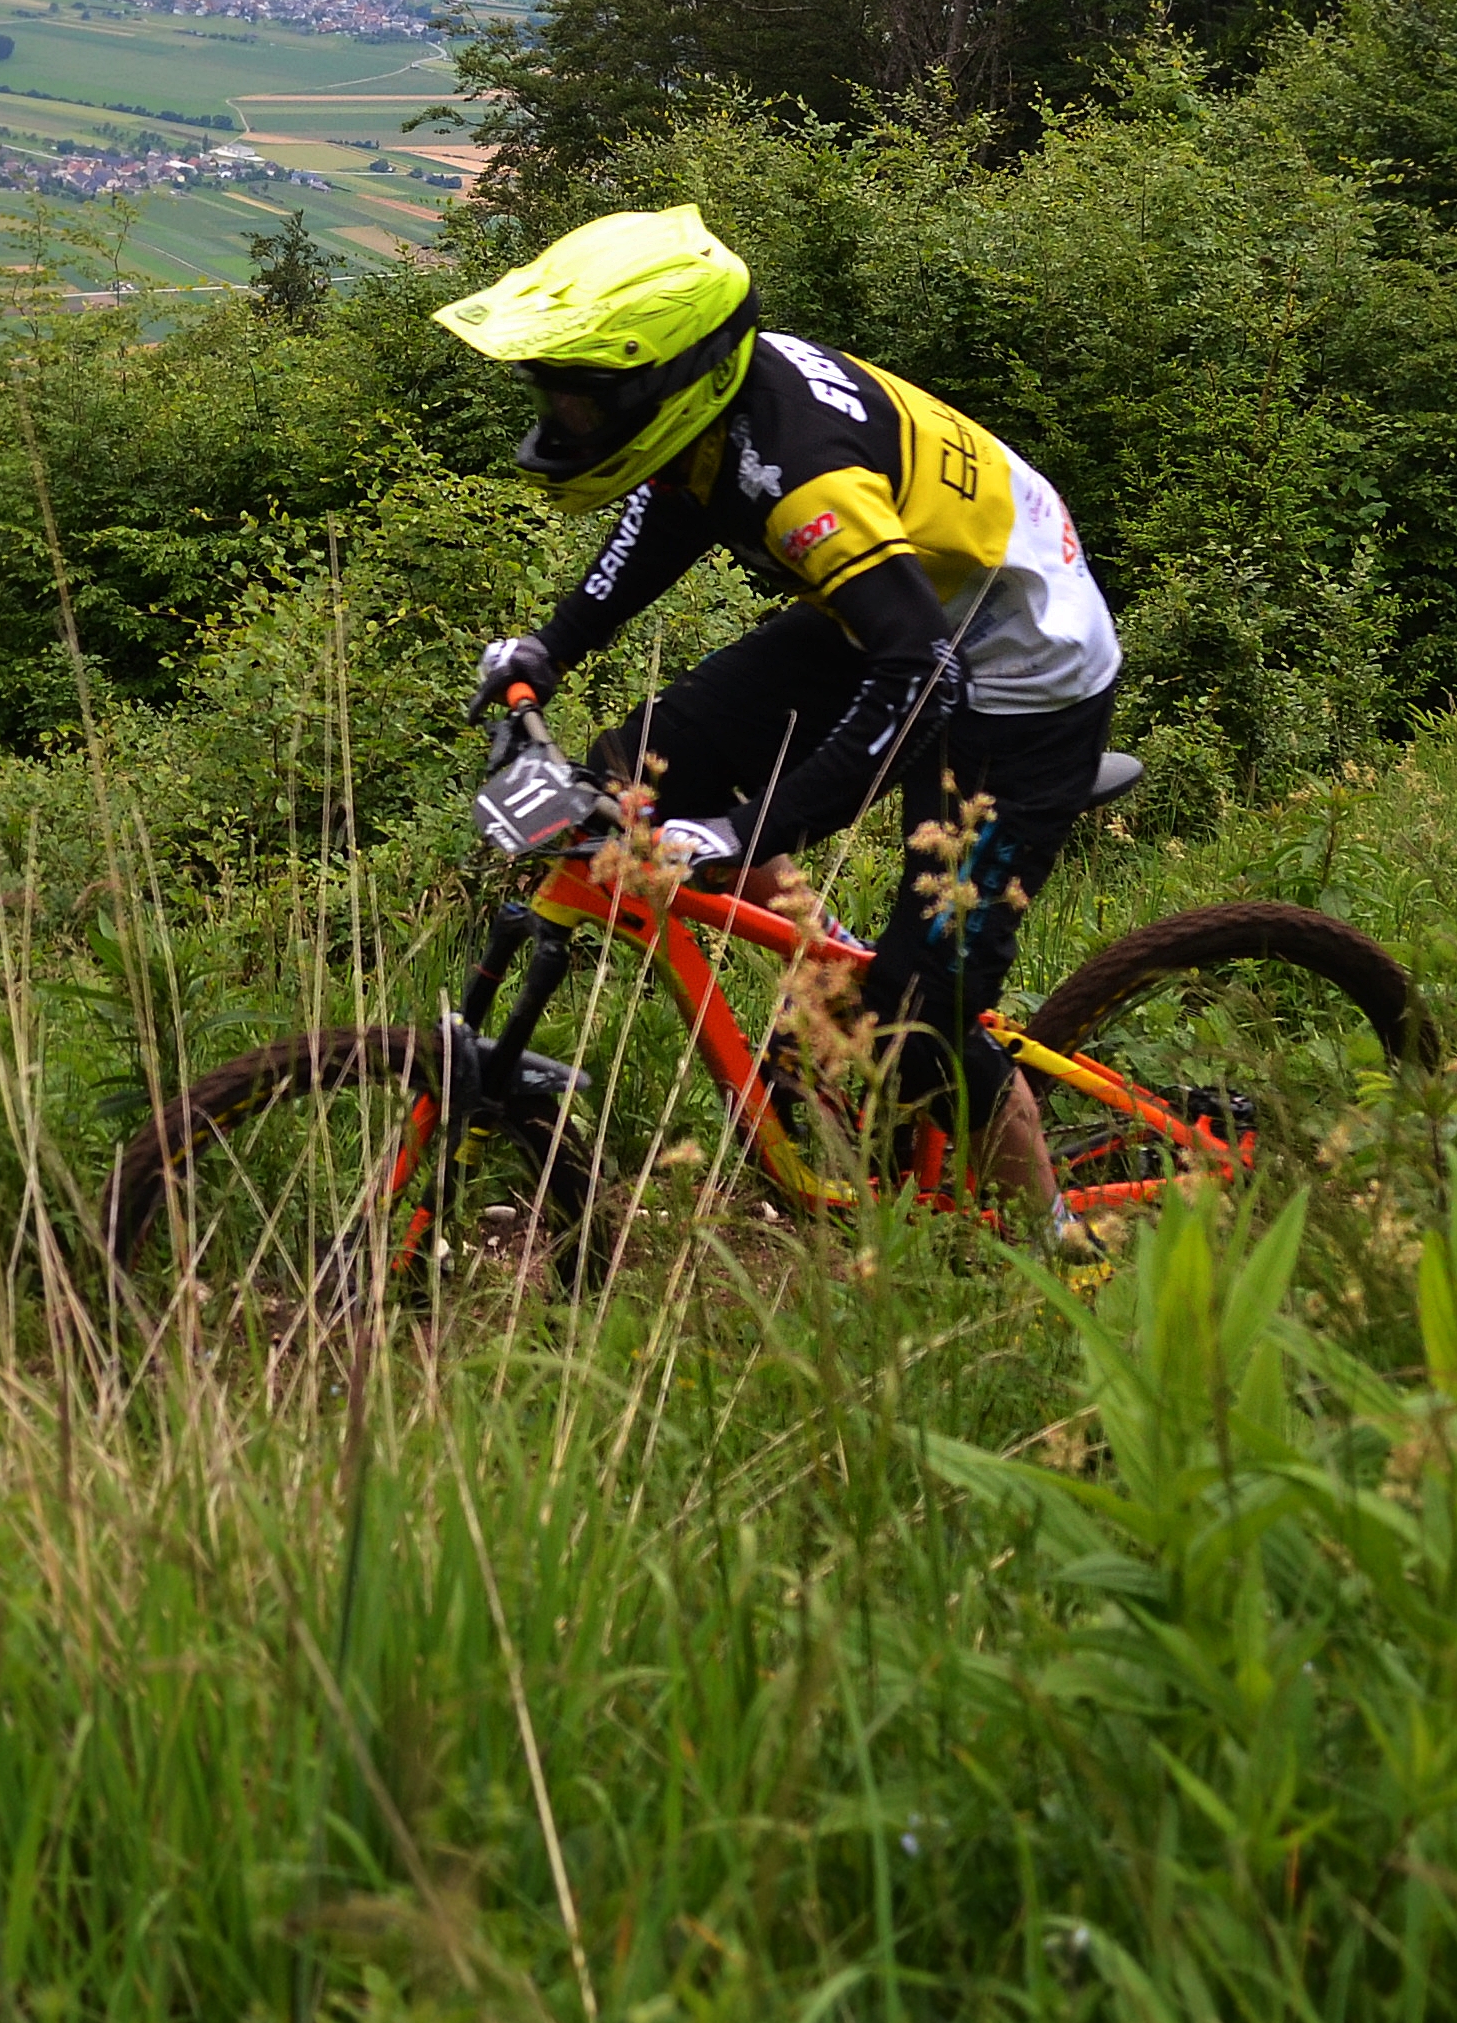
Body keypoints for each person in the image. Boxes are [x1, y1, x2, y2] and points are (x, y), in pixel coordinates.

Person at [438, 205, 1123, 1247]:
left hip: (1019, 675)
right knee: (634, 778)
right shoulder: (719, 408)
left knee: (924, 1017)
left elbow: (921, 679)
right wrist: (550, 647)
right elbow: (675, 503)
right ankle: (835, 987)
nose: (562, 417)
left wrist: (744, 833)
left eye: (580, 399)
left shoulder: (807, 479)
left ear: (665, 381)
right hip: (893, 609)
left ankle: (1058, 1244)